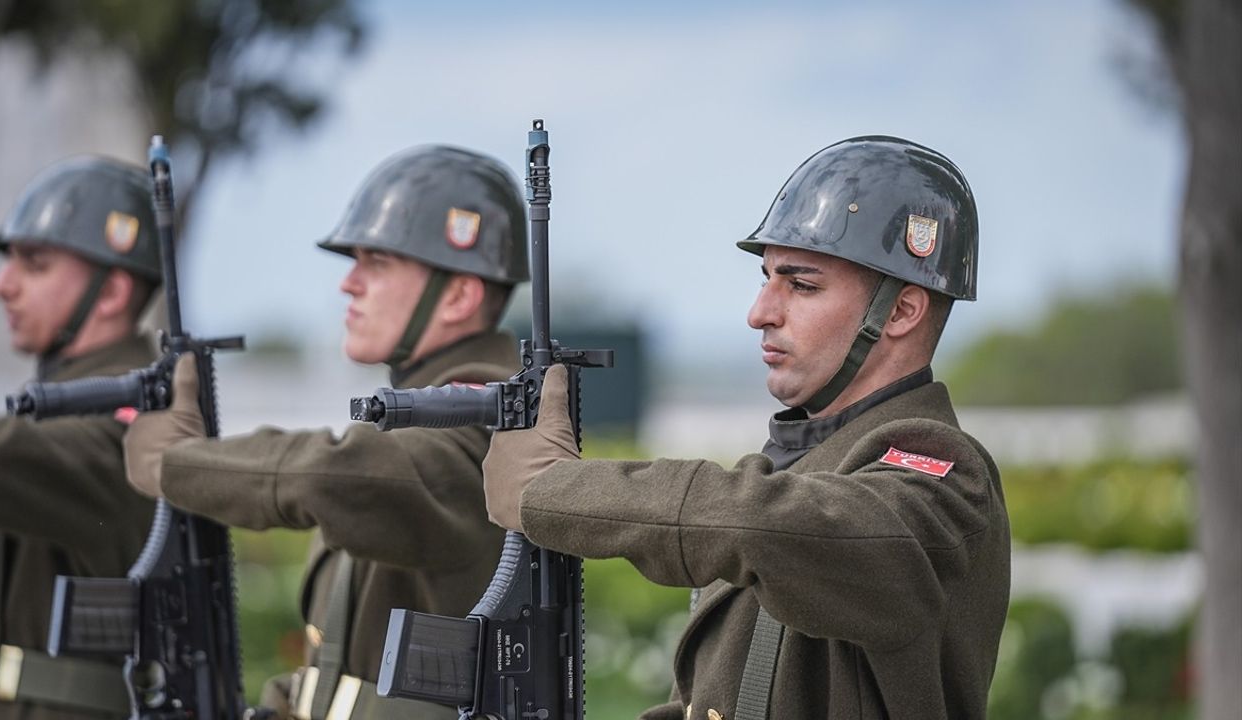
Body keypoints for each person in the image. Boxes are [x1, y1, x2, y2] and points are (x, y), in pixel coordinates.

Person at [482, 136, 1012, 719]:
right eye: (766, 278)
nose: (760, 311)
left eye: (801, 284)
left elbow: (767, 524)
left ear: (902, 312)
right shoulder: (810, 465)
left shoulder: (942, 476)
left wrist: (554, 488)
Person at [122, 145, 529, 720]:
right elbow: (341, 665)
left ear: (460, 295)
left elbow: (334, 474)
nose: (349, 284)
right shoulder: (412, 414)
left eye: (378, 263)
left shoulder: (490, 423)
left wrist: (177, 462)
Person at [0, 157, 162, 719]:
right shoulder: (45, 414)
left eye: (35, 264)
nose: (2, 284)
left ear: (111, 294)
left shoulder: (140, 421)